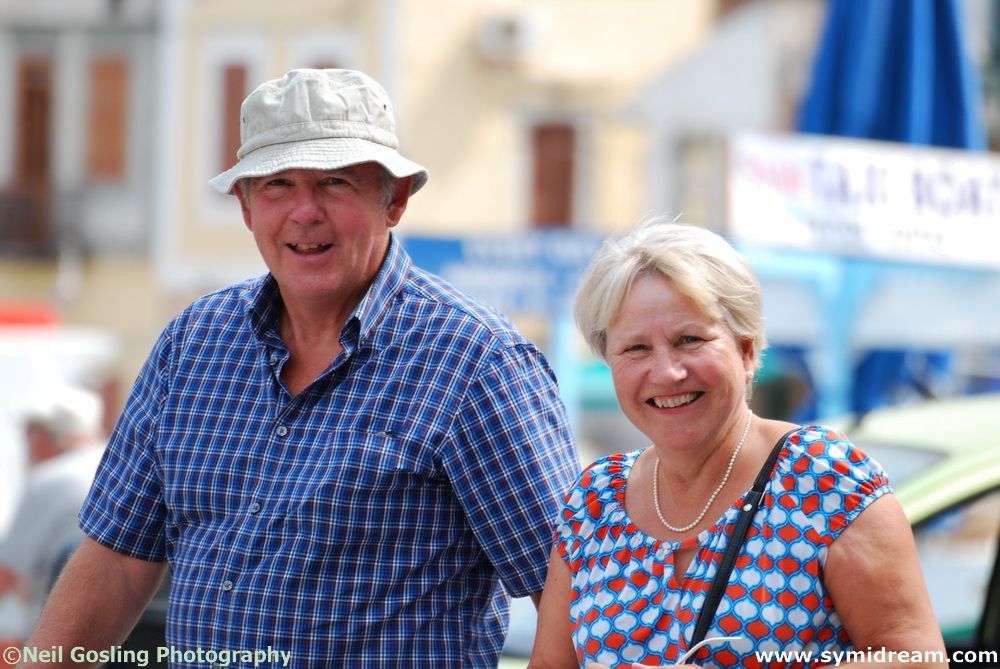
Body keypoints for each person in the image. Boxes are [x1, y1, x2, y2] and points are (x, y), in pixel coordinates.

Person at [21, 68, 578, 668]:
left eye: (335, 182)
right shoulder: (192, 345)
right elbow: (117, 560)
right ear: (245, 206)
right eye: (278, 185)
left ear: (394, 199)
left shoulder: (476, 363)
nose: (305, 212)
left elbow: (567, 589)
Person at [528, 221, 946, 669]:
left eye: (689, 340)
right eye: (636, 349)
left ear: (746, 351)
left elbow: (918, 659)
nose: (667, 372)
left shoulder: (823, 478)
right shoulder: (595, 501)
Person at [0, 385, 105, 639]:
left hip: (53, 635)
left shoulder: (49, 481)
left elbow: (6, 575)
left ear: (41, 437)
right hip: (119, 630)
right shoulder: (115, 466)